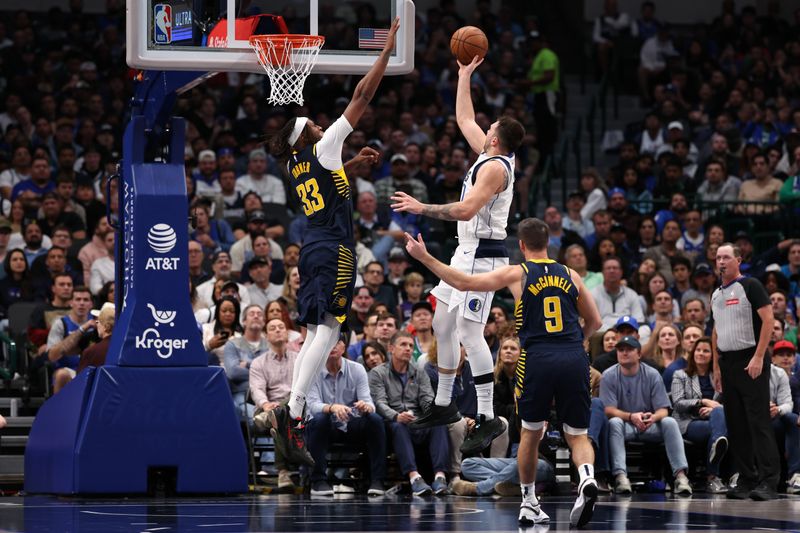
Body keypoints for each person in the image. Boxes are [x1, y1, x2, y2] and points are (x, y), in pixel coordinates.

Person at [404, 217, 602, 528]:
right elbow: (596, 321)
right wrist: (580, 340)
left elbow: (464, 283)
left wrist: (424, 257)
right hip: (574, 356)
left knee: (530, 434)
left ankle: (528, 502)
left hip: (537, 357)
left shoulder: (517, 273)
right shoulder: (572, 275)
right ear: (548, 243)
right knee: (577, 434)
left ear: (521, 246)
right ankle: (587, 479)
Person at [264, 19, 400, 467]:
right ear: (307, 134)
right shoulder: (322, 148)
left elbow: (330, 186)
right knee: (331, 329)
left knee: (314, 331)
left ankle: (294, 410)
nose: (324, 125)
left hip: (311, 247)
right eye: (316, 124)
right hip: (335, 249)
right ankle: (296, 408)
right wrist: (385, 52)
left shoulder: (297, 166)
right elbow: (361, 96)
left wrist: (354, 164)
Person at [390, 56, 526, 459]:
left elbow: (466, 212)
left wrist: (421, 207)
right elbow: (465, 119)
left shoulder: (494, 170)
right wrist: (464, 76)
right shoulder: (488, 152)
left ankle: (486, 416)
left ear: (496, 140)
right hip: (464, 250)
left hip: (482, 256)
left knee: (469, 332)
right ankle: (445, 402)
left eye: (491, 129)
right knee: (441, 324)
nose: (484, 130)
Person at [711, 243, 780, 500]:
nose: (721, 261)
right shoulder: (716, 294)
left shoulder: (750, 285)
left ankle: (769, 481)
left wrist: (759, 356)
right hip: (727, 362)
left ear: (738, 260)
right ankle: (746, 479)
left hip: (751, 358)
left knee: (758, 421)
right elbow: (715, 331)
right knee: (736, 423)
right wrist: (717, 367)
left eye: (726, 257)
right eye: (718, 257)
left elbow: (769, 320)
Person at [600, 335, 693, 495]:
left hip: (649, 425)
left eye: (629, 350)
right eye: (621, 350)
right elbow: (608, 409)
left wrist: (653, 418)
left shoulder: (652, 374)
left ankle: (681, 477)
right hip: (625, 426)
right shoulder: (609, 375)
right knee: (614, 422)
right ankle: (621, 477)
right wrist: (631, 416)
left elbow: (663, 410)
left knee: (670, 422)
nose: (624, 353)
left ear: (639, 354)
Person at [368, 331, 449, 496]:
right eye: (403, 345)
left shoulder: (419, 372)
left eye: (411, 346)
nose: (408, 349)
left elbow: (427, 399)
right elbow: (380, 403)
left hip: (417, 420)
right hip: (393, 422)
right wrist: (396, 415)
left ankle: (440, 477)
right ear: (391, 348)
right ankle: (414, 478)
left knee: (438, 422)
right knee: (399, 426)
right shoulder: (378, 373)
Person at [305, 336, 387, 497]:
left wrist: (365, 407)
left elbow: (369, 402)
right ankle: (318, 481)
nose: (332, 346)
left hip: (351, 423)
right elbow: (313, 405)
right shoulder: (312, 371)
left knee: (375, 420)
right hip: (325, 426)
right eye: (328, 342)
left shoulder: (357, 369)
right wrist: (332, 408)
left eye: (337, 342)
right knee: (319, 419)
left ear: (344, 347)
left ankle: (377, 480)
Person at [670, 337, 729, 493]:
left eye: (706, 351)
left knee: (719, 416)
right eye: (698, 350)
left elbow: (729, 401)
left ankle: (716, 454)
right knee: (721, 431)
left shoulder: (720, 377)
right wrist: (702, 402)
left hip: (714, 420)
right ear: (693, 353)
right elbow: (677, 403)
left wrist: (713, 410)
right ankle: (713, 477)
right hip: (688, 421)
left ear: (713, 356)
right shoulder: (680, 374)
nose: (701, 353)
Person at [768, 340, 800, 494]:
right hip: (772, 420)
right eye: (781, 355)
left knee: (794, 419)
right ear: (773, 358)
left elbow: (793, 404)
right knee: (793, 420)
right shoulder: (768, 375)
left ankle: (795, 475)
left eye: (789, 355)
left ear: (795, 359)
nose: (785, 358)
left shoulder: (796, 381)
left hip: (790, 419)